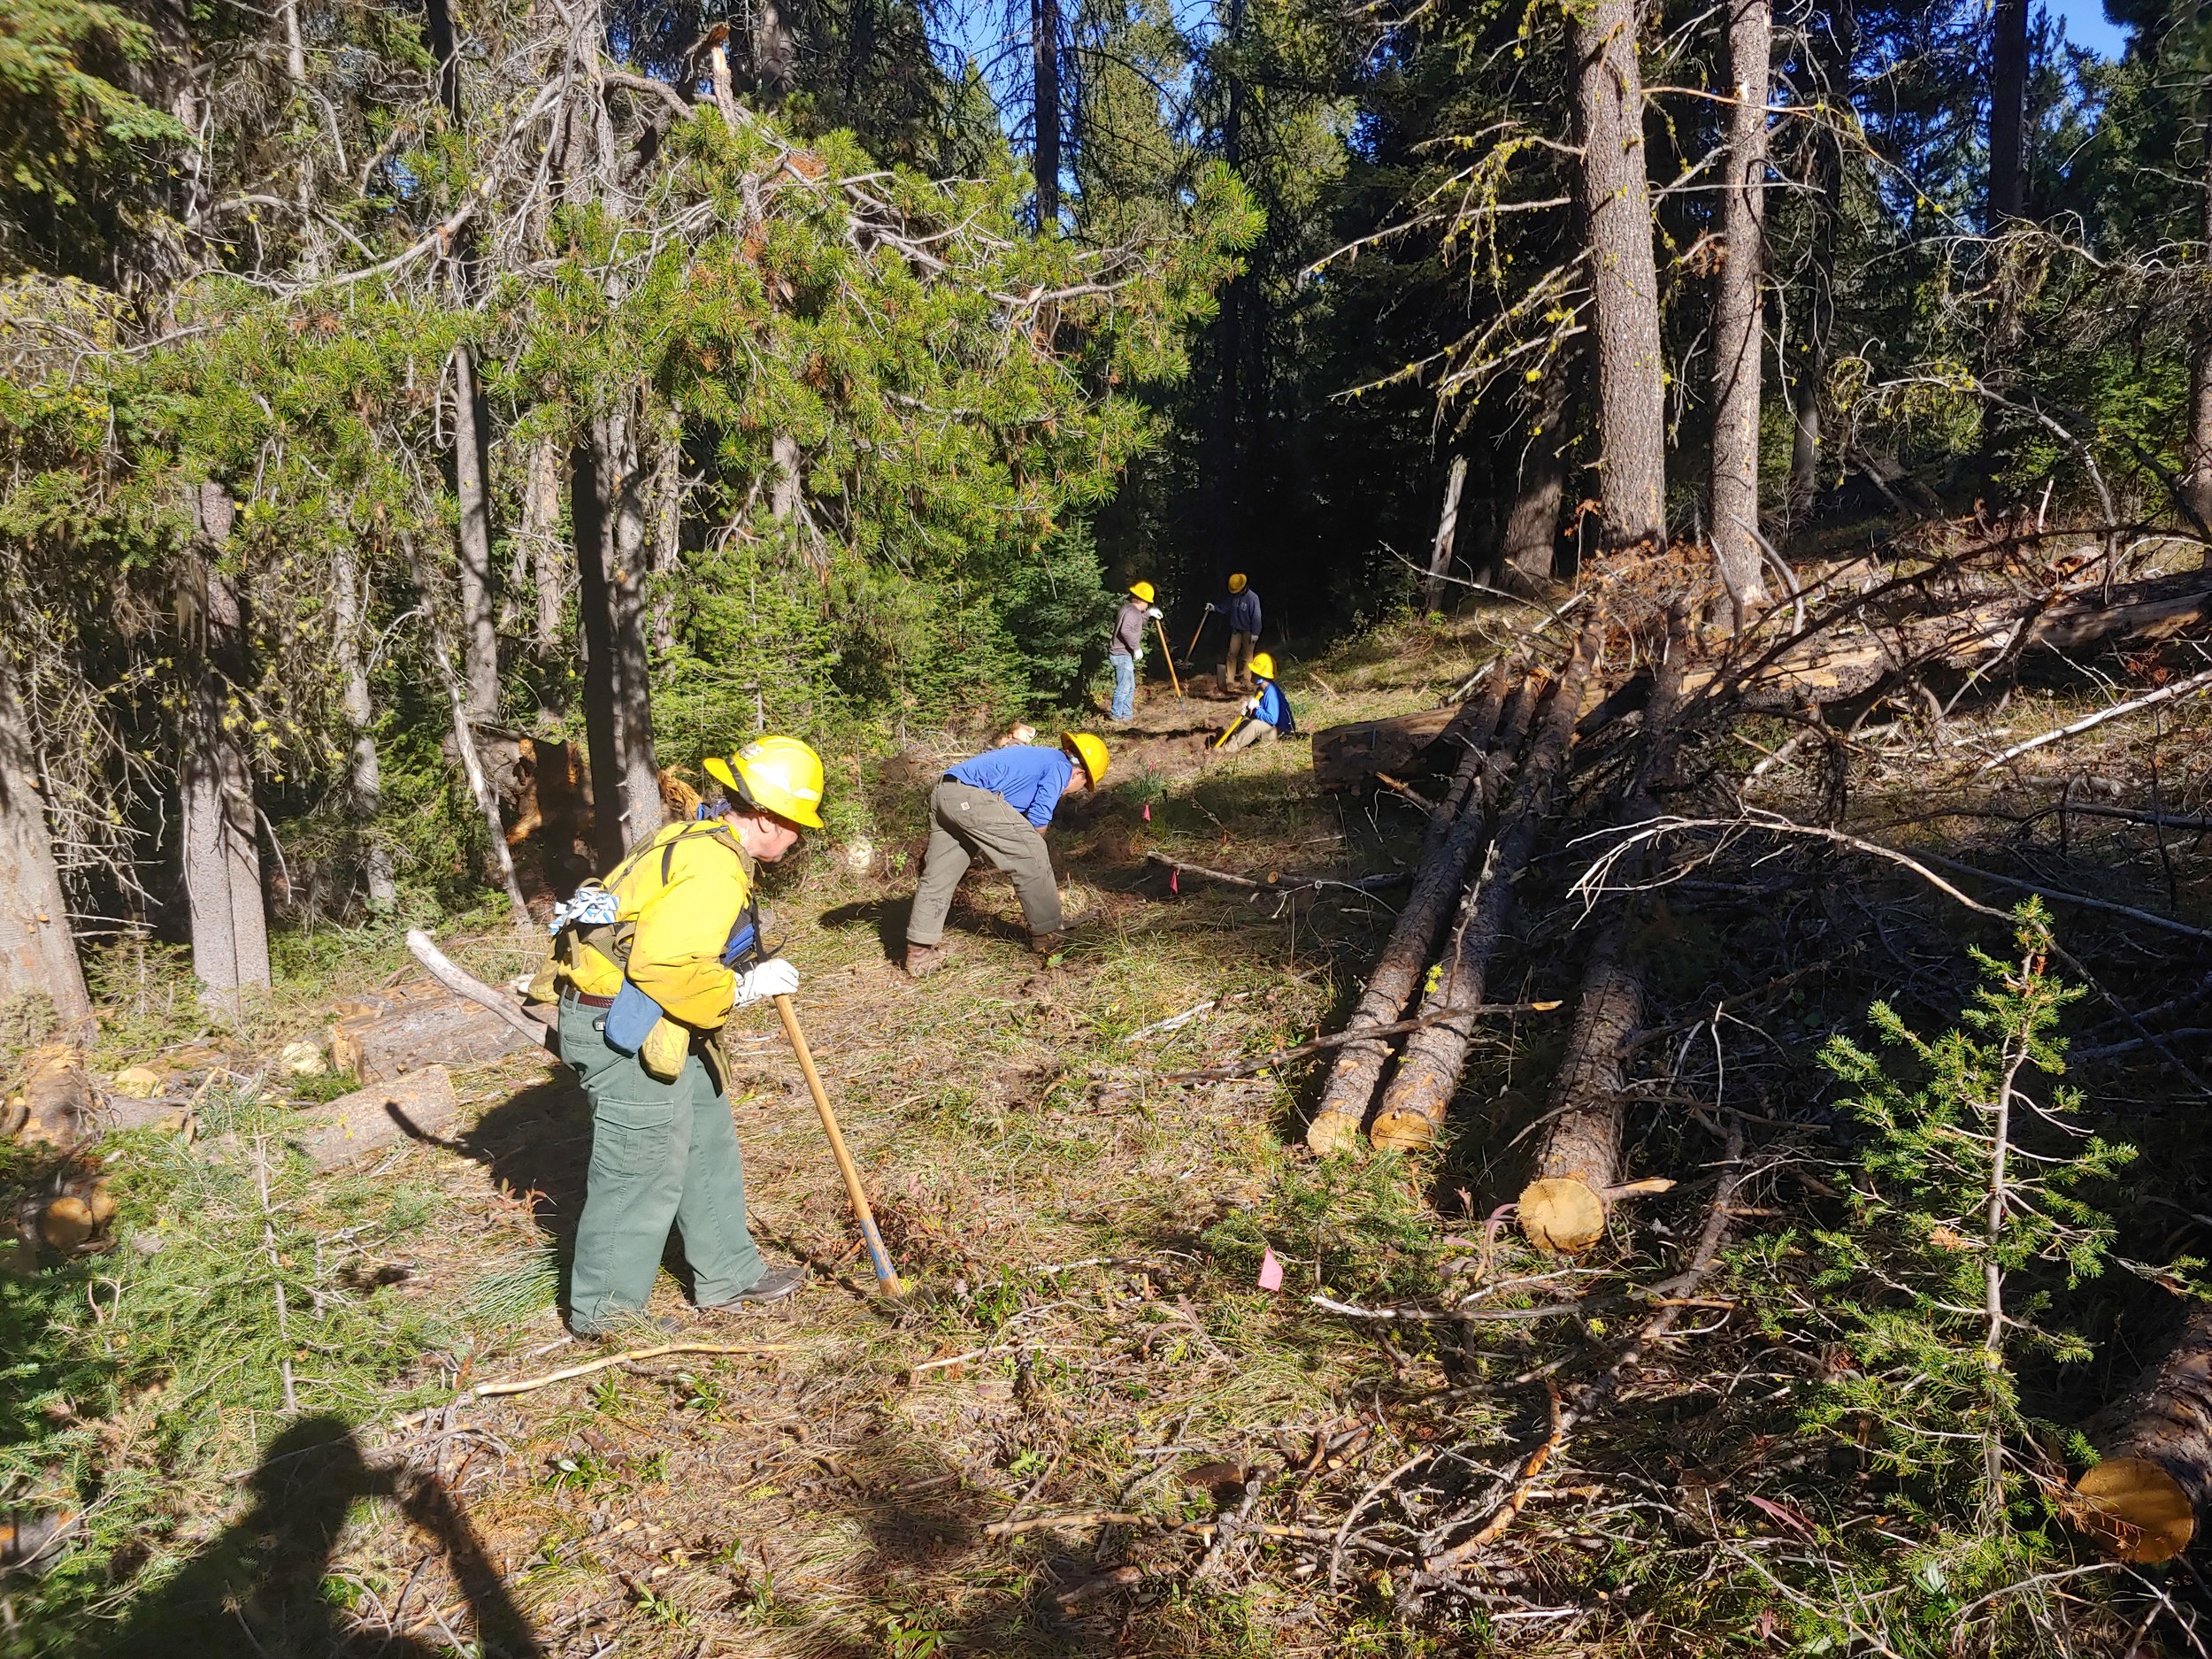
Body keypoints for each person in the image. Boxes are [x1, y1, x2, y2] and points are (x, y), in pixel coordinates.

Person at [548, 736, 826, 1335]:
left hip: (657, 1014)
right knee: (640, 1166)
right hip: (620, 1021)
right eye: (794, 822)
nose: (798, 835)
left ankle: (726, 1270)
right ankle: (607, 1316)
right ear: (763, 815)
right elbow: (665, 967)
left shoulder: (698, 838)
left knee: (706, 1126)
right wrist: (742, 990)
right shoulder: (714, 866)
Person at [904, 733, 1110, 978]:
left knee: (939, 877)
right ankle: (1049, 936)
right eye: (1083, 786)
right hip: (971, 797)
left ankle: (919, 954)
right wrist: (1034, 852)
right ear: (1079, 773)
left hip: (945, 792)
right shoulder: (1060, 765)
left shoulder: (1039, 759)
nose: (1073, 792)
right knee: (1032, 853)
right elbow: (1039, 817)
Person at [1217, 652, 1294, 753]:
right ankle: (1231, 742)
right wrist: (1250, 710)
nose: (1251, 674)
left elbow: (1272, 719)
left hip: (1282, 734)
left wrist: (1257, 709)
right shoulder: (1262, 690)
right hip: (1273, 729)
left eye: (1254, 672)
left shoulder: (1271, 693)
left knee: (1255, 725)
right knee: (1246, 722)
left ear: (1260, 675)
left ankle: (1227, 750)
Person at [1110, 580, 1160, 723]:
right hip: (1122, 655)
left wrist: (1149, 614)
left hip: (1124, 655)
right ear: (1141, 600)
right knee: (1124, 687)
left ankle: (1126, 715)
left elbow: (1137, 621)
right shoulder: (1132, 612)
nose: (1148, 605)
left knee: (1130, 687)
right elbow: (1126, 630)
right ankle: (1116, 715)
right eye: (1148, 603)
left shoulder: (1131, 610)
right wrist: (1136, 647)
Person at [1222, 572, 1262, 692]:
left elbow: (1256, 616)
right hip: (1236, 630)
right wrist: (1215, 608)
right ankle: (1229, 680)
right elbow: (1226, 607)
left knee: (1248, 656)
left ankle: (1246, 680)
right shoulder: (1234, 596)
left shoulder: (1252, 598)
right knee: (1231, 654)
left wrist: (1256, 633)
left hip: (1248, 631)